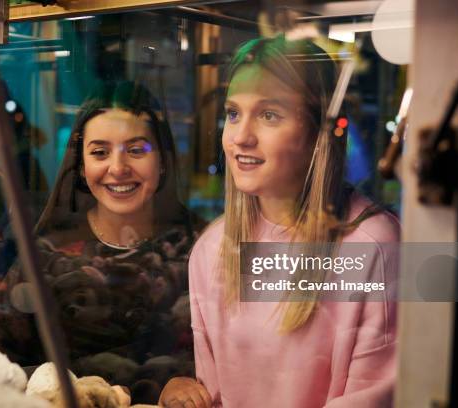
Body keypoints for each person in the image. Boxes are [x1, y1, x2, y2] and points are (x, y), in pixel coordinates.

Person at [161, 37, 399, 407]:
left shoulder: (375, 245)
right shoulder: (212, 247)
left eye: (269, 115)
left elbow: (375, 398)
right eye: (233, 113)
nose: (240, 137)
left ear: (316, 132)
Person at [0, 81, 202, 405]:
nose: (118, 168)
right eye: (100, 152)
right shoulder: (46, 257)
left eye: (137, 150)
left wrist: (185, 380)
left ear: (164, 160)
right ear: (81, 167)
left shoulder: (201, 249)